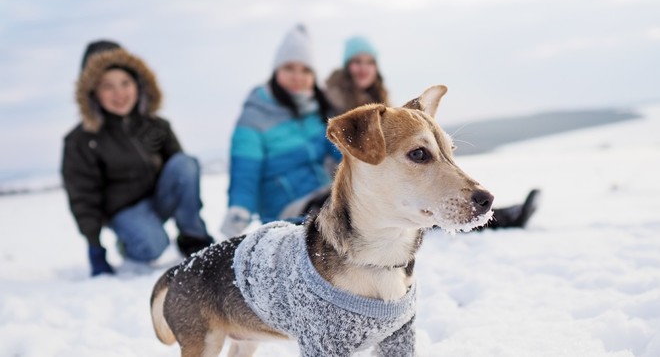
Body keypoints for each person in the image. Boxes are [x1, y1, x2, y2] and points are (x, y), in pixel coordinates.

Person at [325, 35, 540, 229]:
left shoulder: (385, 104)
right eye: (357, 62)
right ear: (346, 67)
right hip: (333, 186)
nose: (363, 68)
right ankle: (503, 218)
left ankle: (498, 216)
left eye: (369, 62)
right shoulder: (326, 103)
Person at [62, 40, 214, 277]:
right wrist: (95, 247)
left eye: (125, 83)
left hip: (158, 200)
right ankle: (130, 245)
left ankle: (193, 236)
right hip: (124, 213)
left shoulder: (156, 127)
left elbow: (181, 174)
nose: (119, 93)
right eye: (107, 86)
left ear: (138, 85)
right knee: (154, 245)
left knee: (185, 163)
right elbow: (83, 197)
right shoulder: (82, 140)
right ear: (92, 92)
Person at [220, 25, 341, 237]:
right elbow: (245, 170)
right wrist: (239, 208)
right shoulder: (255, 114)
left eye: (305, 70)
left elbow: (340, 151)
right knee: (339, 212)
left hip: (324, 193)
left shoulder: (317, 110)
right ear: (277, 71)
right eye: (290, 68)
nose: (298, 76)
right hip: (286, 209)